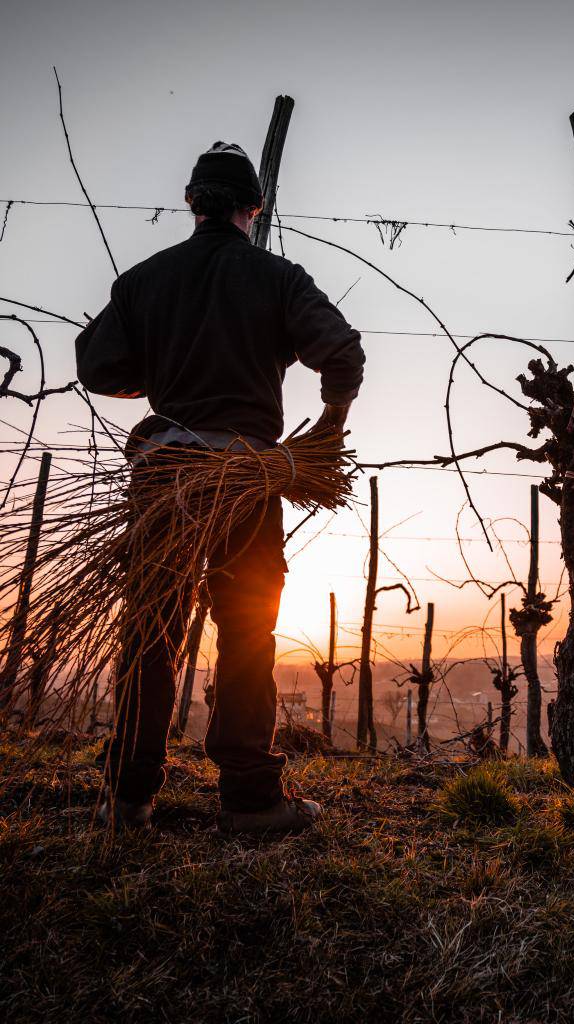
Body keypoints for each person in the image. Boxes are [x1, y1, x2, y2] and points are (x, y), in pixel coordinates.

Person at [75, 142, 364, 834]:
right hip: (244, 478)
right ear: (253, 208)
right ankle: (250, 799)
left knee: (150, 631)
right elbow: (344, 354)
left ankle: (128, 797)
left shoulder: (145, 280)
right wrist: (325, 429)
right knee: (246, 630)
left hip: (166, 478)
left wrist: (151, 374)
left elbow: (96, 364)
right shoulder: (277, 277)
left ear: (191, 203)